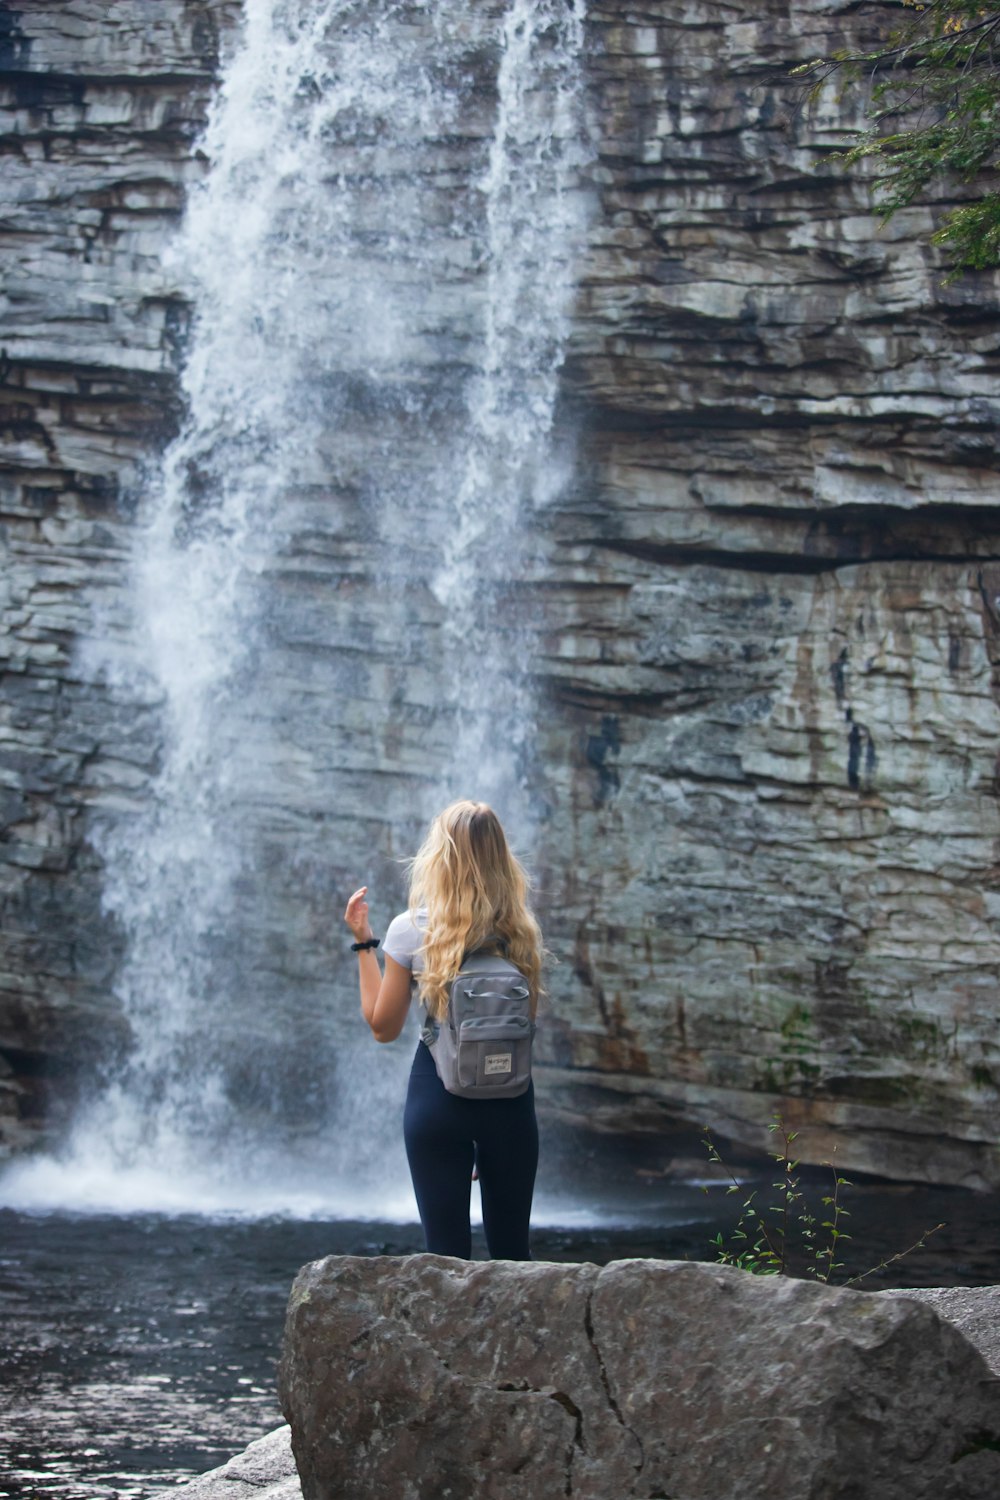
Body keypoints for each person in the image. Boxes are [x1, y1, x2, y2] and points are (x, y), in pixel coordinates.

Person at [343, 799, 542, 1260]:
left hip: (438, 1100)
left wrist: (362, 942)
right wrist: (491, 1127)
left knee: (445, 1261)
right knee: (514, 1256)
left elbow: (383, 1028)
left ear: (441, 856)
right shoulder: (521, 931)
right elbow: (521, 1027)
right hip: (509, 1102)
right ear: (501, 857)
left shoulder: (411, 930)